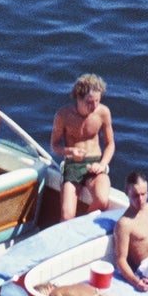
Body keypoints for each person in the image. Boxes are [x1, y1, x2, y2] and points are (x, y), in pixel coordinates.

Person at [50, 73, 115, 219]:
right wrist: (70, 151)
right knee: (67, 216)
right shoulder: (63, 115)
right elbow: (54, 145)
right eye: (89, 102)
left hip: (95, 165)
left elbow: (110, 144)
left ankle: (82, 224)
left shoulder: (103, 113)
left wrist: (103, 165)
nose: (94, 106)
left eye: (97, 101)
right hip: (73, 165)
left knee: (102, 201)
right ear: (78, 98)